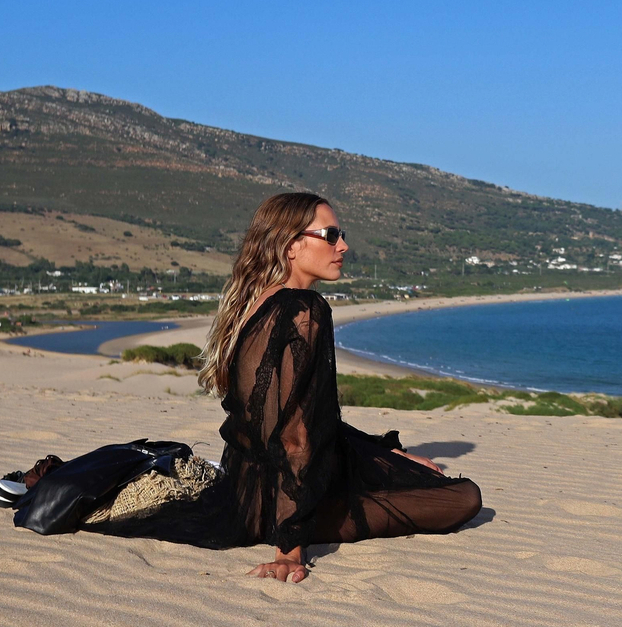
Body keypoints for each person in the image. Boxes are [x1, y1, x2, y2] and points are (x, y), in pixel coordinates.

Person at [91, 192, 482, 583]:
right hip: (276, 502)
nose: (342, 245)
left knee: (414, 472)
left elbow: (304, 417)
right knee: (463, 498)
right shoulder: (303, 311)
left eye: (340, 234)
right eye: (330, 235)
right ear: (292, 245)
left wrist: (386, 457)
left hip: (244, 486)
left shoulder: (259, 302)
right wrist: (289, 549)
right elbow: (295, 438)